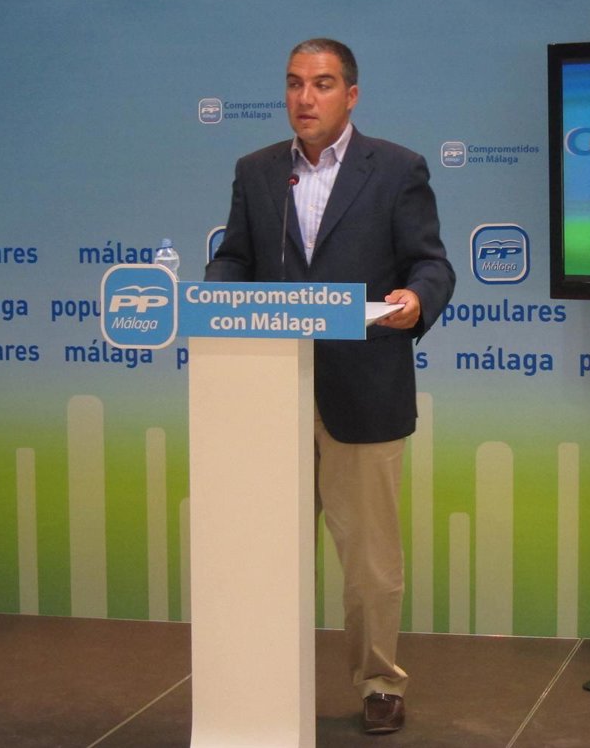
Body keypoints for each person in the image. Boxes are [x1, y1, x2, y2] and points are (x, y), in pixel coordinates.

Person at [205, 38, 455, 735]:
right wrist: (215, 297)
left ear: (351, 94)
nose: (304, 98)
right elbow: (233, 258)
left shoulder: (396, 169)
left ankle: (379, 683)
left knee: (369, 563)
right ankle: (257, 679)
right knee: (263, 552)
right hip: (270, 393)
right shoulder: (258, 171)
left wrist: (416, 299)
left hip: (363, 388)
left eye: (320, 84)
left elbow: (431, 263)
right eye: (293, 84)